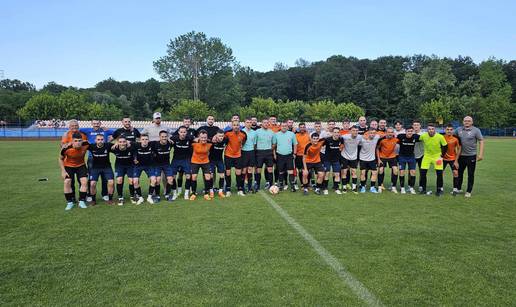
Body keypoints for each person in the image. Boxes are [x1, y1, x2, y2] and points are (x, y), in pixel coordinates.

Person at [80, 119, 112, 202]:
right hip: (92, 157)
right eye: (94, 123)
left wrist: (108, 129)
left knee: (105, 178)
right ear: (91, 124)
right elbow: (76, 130)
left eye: (97, 123)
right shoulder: (87, 130)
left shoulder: (105, 131)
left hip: (104, 156)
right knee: (91, 178)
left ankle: (104, 194)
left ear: (100, 123)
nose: (96, 125)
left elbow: (117, 133)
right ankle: (90, 194)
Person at [455, 116, 484, 197]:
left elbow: (481, 141)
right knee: (459, 173)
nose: (467, 122)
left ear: (472, 122)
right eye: (465, 121)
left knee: (470, 174)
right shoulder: (458, 130)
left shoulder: (476, 130)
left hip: (471, 156)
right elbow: (452, 137)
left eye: (468, 121)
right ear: (463, 122)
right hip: (461, 156)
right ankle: (458, 188)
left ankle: (468, 191)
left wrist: (481, 154)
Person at [59, 132, 89, 210]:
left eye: (79, 141)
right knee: (67, 182)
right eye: (75, 141)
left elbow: (96, 144)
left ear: (82, 141)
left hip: (81, 165)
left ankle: (82, 201)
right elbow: (60, 159)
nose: (78, 143)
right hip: (69, 166)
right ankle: (69, 202)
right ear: (72, 141)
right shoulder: (66, 148)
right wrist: (63, 171)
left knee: (84, 181)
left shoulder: (86, 144)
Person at [419, 123, 448, 196]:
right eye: (429, 129)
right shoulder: (423, 136)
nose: (431, 130)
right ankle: (423, 189)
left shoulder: (440, 136)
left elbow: (445, 146)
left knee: (439, 174)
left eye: (432, 129)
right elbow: (416, 139)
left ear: (435, 129)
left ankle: (439, 190)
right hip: (427, 156)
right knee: (422, 173)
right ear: (427, 130)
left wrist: (441, 156)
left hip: (437, 157)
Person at [87, 134, 115, 205]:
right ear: (95, 140)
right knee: (92, 184)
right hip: (95, 168)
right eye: (98, 139)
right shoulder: (91, 146)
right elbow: (81, 144)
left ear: (104, 140)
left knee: (111, 182)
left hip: (107, 167)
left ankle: (110, 199)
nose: (100, 141)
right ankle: (93, 200)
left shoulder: (108, 145)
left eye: (102, 139)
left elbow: (119, 144)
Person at [169, 127, 193, 200]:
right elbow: (167, 140)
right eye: (181, 132)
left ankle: (186, 193)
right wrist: (168, 139)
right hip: (176, 159)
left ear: (186, 132)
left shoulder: (190, 138)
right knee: (172, 177)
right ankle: (174, 193)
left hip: (186, 160)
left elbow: (198, 139)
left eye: (184, 132)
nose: (183, 133)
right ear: (178, 132)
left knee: (188, 176)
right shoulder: (174, 138)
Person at [224, 120, 247, 196]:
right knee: (228, 172)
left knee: (238, 173)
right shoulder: (227, 133)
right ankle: (228, 189)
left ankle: (240, 189)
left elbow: (244, 141)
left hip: (238, 156)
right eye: (234, 125)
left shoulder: (243, 134)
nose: (236, 126)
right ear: (232, 126)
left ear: (239, 126)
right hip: (228, 155)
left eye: (237, 125)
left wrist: (240, 146)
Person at [189, 130, 214, 201]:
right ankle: (193, 193)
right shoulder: (194, 143)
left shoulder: (210, 143)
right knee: (194, 177)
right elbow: (187, 139)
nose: (203, 139)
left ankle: (206, 193)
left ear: (207, 137)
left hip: (205, 162)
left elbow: (216, 140)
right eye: (202, 137)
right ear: (199, 137)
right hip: (195, 161)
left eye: (205, 137)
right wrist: (193, 139)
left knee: (208, 177)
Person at [273, 122, 298, 192]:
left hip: (289, 155)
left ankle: (292, 186)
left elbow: (295, 144)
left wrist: (295, 153)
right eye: (282, 126)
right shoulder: (276, 134)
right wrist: (274, 154)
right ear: (280, 127)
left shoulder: (291, 134)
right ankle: (281, 185)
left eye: (285, 126)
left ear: (287, 127)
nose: (284, 127)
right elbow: (274, 145)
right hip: (280, 155)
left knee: (290, 171)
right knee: (280, 171)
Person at [111, 136, 135, 205]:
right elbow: (106, 145)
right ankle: (120, 198)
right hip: (119, 166)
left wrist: (129, 142)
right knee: (119, 180)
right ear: (118, 142)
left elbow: (137, 144)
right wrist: (115, 143)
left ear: (126, 142)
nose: (122, 143)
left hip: (130, 166)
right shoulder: (114, 148)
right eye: (120, 142)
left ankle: (132, 196)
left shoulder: (131, 148)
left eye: (124, 142)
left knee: (131, 181)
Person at [132, 134, 156, 204]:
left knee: (154, 180)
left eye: (146, 139)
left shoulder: (152, 145)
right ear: (140, 140)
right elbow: (127, 142)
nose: (144, 141)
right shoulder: (136, 145)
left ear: (148, 140)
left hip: (149, 166)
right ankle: (140, 198)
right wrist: (135, 159)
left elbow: (162, 140)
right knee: (135, 181)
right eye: (143, 139)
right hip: (138, 166)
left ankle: (149, 197)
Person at [396, 126, 420, 194]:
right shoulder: (400, 136)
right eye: (408, 131)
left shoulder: (416, 137)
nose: (410, 132)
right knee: (402, 172)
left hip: (411, 157)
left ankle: (411, 188)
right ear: (405, 131)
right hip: (402, 157)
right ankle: (402, 188)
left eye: (411, 131)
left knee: (413, 172)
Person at [376, 127, 399, 193]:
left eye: (391, 132)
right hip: (382, 156)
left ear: (393, 133)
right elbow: (377, 148)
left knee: (395, 170)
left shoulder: (396, 139)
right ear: (386, 133)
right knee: (380, 170)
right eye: (389, 132)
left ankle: (393, 187)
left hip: (392, 157)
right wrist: (378, 159)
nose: (390, 133)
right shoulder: (381, 139)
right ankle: (380, 186)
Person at [254, 118, 275, 190]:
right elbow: (255, 143)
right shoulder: (257, 132)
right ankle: (257, 185)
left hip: (268, 152)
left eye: (267, 123)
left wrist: (269, 149)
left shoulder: (271, 132)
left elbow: (274, 143)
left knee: (270, 169)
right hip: (259, 152)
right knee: (258, 169)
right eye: (264, 123)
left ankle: (271, 186)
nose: (266, 124)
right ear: (261, 124)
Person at [322, 127, 344, 194]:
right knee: (327, 173)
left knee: (337, 174)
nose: (336, 134)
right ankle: (325, 188)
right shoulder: (327, 140)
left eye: (337, 132)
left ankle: (336, 188)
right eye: (335, 132)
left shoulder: (341, 139)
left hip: (336, 160)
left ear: (339, 133)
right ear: (332, 133)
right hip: (327, 159)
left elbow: (341, 147)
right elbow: (320, 146)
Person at [358, 128, 381, 193]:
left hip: (372, 159)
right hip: (363, 159)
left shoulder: (376, 137)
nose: (372, 134)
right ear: (368, 133)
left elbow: (384, 134)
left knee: (374, 173)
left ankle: (372, 187)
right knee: (363, 173)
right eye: (371, 133)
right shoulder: (362, 139)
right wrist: (363, 136)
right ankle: (362, 187)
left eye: (374, 133)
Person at [340, 126, 362, 194]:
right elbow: (338, 137)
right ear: (350, 131)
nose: (355, 132)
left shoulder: (360, 137)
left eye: (356, 130)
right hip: (344, 156)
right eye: (353, 130)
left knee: (354, 172)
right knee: (344, 172)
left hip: (354, 157)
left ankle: (354, 188)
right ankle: (344, 188)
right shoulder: (345, 137)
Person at [442, 124, 461, 195]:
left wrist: (456, 160)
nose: (449, 131)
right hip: (443, 159)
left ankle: (455, 189)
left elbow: (459, 149)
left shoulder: (455, 139)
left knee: (455, 173)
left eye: (451, 129)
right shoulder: (441, 137)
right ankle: (440, 187)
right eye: (447, 129)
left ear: (453, 130)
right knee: (440, 173)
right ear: (445, 130)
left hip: (453, 158)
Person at [209, 130, 228, 198]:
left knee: (222, 175)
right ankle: (211, 191)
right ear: (216, 136)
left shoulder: (225, 140)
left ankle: (220, 191)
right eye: (219, 136)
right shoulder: (211, 141)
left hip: (220, 160)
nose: (221, 137)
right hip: (211, 160)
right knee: (211, 176)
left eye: (222, 136)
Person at [241, 118, 258, 193]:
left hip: (251, 152)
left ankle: (250, 187)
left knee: (250, 169)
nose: (249, 124)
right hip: (243, 152)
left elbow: (255, 144)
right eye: (247, 122)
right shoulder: (241, 132)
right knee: (244, 170)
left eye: (250, 122)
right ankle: (242, 187)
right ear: (244, 123)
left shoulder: (254, 132)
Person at [295, 123, 311, 189]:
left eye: (303, 127)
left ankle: (308, 183)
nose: (302, 128)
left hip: (307, 155)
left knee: (308, 170)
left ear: (305, 128)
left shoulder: (308, 135)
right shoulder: (296, 135)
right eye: (301, 127)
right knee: (300, 170)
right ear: (299, 128)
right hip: (299, 155)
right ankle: (302, 183)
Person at [412, 120, 425, 191]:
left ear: (420, 126)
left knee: (422, 171)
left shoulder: (423, 134)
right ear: (413, 126)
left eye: (417, 125)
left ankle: (421, 186)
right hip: (412, 155)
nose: (416, 126)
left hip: (422, 155)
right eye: (414, 125)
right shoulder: (410, 133)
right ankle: (411, 186)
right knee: (412, 171)